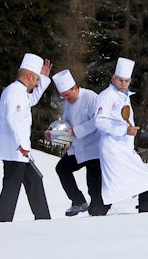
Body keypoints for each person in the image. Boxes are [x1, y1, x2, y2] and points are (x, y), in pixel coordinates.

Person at [0, 53, 52, 222]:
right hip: (16, 150)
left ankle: (43, 219)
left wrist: (45, 80)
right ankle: (2, 222)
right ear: (29, 76)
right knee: (12, 185)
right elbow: (14, 120)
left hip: (20, 151)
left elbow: (31, 100)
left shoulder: (19, 92)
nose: (37, 83)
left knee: (34, 181)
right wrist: (21, 145)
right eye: (37, 79)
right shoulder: (14, 93)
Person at [94, 57, 148, 213]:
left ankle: (144, 211)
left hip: (124, 148)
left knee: (145, 179)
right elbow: (100, 121)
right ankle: (98, 212)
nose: (123, 83)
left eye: (126, 81)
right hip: (113, 148)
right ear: (113, 79)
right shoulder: (106, 96)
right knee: (115, 184)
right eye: (120, 80)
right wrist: (124, 131)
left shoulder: (125, 96)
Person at [47, 69, 108, 216]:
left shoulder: (91, 97)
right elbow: (66, 122)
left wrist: (78, 130)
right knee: (62, 168)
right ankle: (78, 201)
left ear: (75, 88)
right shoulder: (69, 103)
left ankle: (98, 209)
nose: (65, 99)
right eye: (63, 97)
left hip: (94, 148)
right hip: (78, 147)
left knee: (93, 185)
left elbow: (98, 120)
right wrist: (54, 132)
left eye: (67, 95)